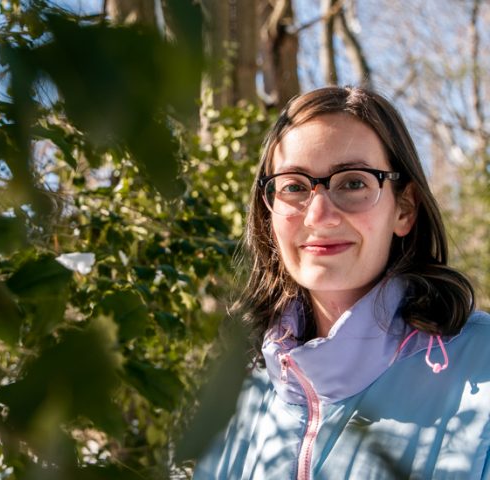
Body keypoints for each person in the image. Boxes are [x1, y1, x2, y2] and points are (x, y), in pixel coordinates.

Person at [193, 86, 490, 479]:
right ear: (268, 214)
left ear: (404, 208)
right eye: (294, 186)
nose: (319, 215)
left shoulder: (481, 368)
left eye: (353, 183)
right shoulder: (241, 392)